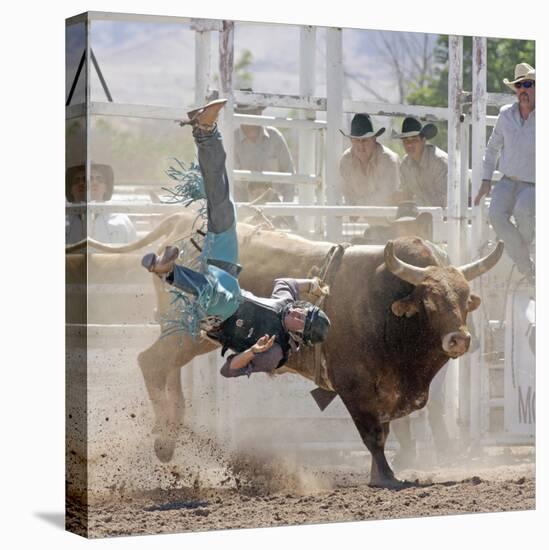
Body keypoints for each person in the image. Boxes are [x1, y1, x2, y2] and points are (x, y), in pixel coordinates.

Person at [141, 99, 331, 378]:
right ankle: (206, 132)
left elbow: (228, 370)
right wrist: (311, 284)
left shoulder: (276, 352)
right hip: (227, 278)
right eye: (303, 312)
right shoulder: (284, 304)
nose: (298, 316)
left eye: (302, 322)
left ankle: (168, 272)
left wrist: (252, 352)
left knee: (223, 298)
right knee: (224, 209)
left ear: (300, 335)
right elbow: (285, 283)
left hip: (217, 318)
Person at [474, 62, 535, 284]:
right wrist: (485, 180)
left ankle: (524, 264)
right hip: (507, 181)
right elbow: (492, 148)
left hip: (535, 184)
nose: (522, 90)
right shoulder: (505, 115)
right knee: (495, 214)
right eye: (518, 86)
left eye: (527, 84)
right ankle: (526, 264)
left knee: (522, 210)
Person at [233, 90, 295, 204]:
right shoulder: (232, 141)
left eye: (252, 113)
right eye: (245, 114)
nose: (249, 118)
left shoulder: (274, 137)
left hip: (273, 204)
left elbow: (289, 174)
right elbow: (231, 183)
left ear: (259, 113)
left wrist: (286, 210)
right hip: (243, 206)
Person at [65, 163, 137, 244]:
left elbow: (134, 252)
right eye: (77, 180)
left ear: (106, 188)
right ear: (70, 189)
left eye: (99, 179)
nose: (92, 183)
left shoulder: (122, 221)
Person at [339, 113, 400, 207]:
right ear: (351, 141)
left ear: (374, 139)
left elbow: (386, 196)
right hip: (357, 216)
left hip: (389, 217)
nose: (361, 146)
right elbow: (347, 193)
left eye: (365, 140)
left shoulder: (388, 160)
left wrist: (357, 206)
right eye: (356, 140)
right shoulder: (346, 160)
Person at [392, 117, 448, 207]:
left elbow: (444, 201)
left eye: (414, 140)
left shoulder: (439, 162)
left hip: (444, 218)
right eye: (405, 141)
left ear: (424, 140)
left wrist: (413, 202)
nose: (409, 144)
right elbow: (406, 193)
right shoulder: (405, 164)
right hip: (417, 216)